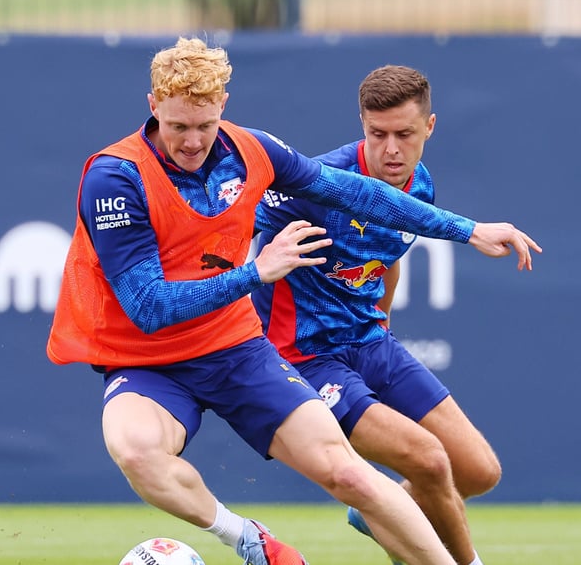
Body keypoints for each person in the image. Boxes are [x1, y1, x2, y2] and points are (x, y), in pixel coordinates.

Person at [47, 37, 538, 565]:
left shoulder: (252, 150)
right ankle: (248, 540)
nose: (192, 142)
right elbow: (149, 307)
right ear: (152, 107)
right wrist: (256, 272)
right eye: (177, 126)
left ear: (223, 109)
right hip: (147, 359)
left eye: (205, 125)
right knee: (136, 450)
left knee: (355, 475)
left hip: (235, 347)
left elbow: (359, 193)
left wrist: (468, 231)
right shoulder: (114, 177)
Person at [253, 65, 541, 565]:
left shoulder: (420, 185)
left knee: (477, 471)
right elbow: (230, 229)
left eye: (404, 134)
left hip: (369, 343)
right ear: (360, 124)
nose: (391, 149)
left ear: (429, 127)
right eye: (377, 133)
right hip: (304, 359)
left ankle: (386, 512)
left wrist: (379, 324)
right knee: (429, 460)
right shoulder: (317, 184)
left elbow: (386, 261)